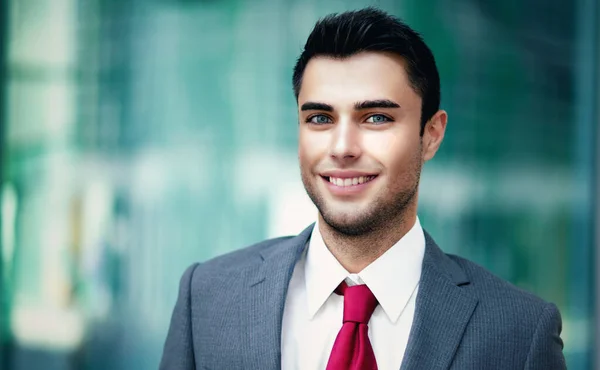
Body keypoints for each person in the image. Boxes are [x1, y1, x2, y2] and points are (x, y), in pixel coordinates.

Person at [160, 7, 566, 370]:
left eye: (375, 118)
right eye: (320, 118)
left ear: (431, 134)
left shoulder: (520, 333)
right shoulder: (208, 299)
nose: (342, 149)